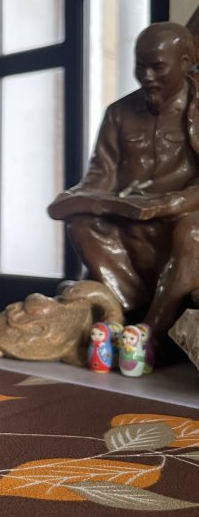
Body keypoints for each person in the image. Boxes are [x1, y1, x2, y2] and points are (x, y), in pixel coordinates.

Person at [48, 21, 199, 342]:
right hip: (128, 214)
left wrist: (170, 202)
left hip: (182, 213)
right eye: (140, 66)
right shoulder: (118, 113)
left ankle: (152, 331)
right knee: (81, 223)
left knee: (193, 233)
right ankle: (120, 314)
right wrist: (75, 197)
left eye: (157, 67)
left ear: (185, 63)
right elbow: (99, 175)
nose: (147, 76)